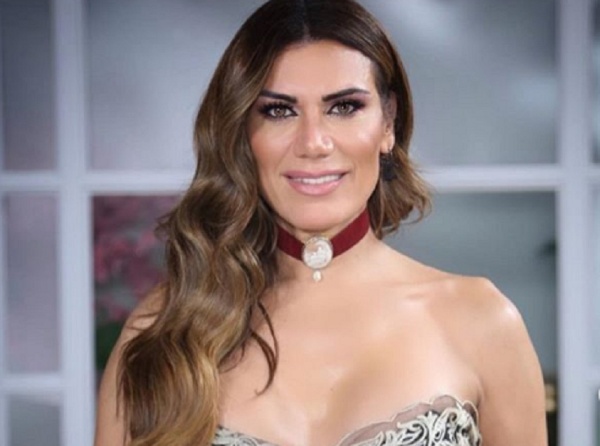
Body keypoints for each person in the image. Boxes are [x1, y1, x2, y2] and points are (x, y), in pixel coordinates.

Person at [95, 0, 547, 445]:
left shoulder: (482, 322)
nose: (313, 143)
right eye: (279, 111)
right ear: (242, 133)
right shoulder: (164, 327)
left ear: (388, 122)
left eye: (344, 107)